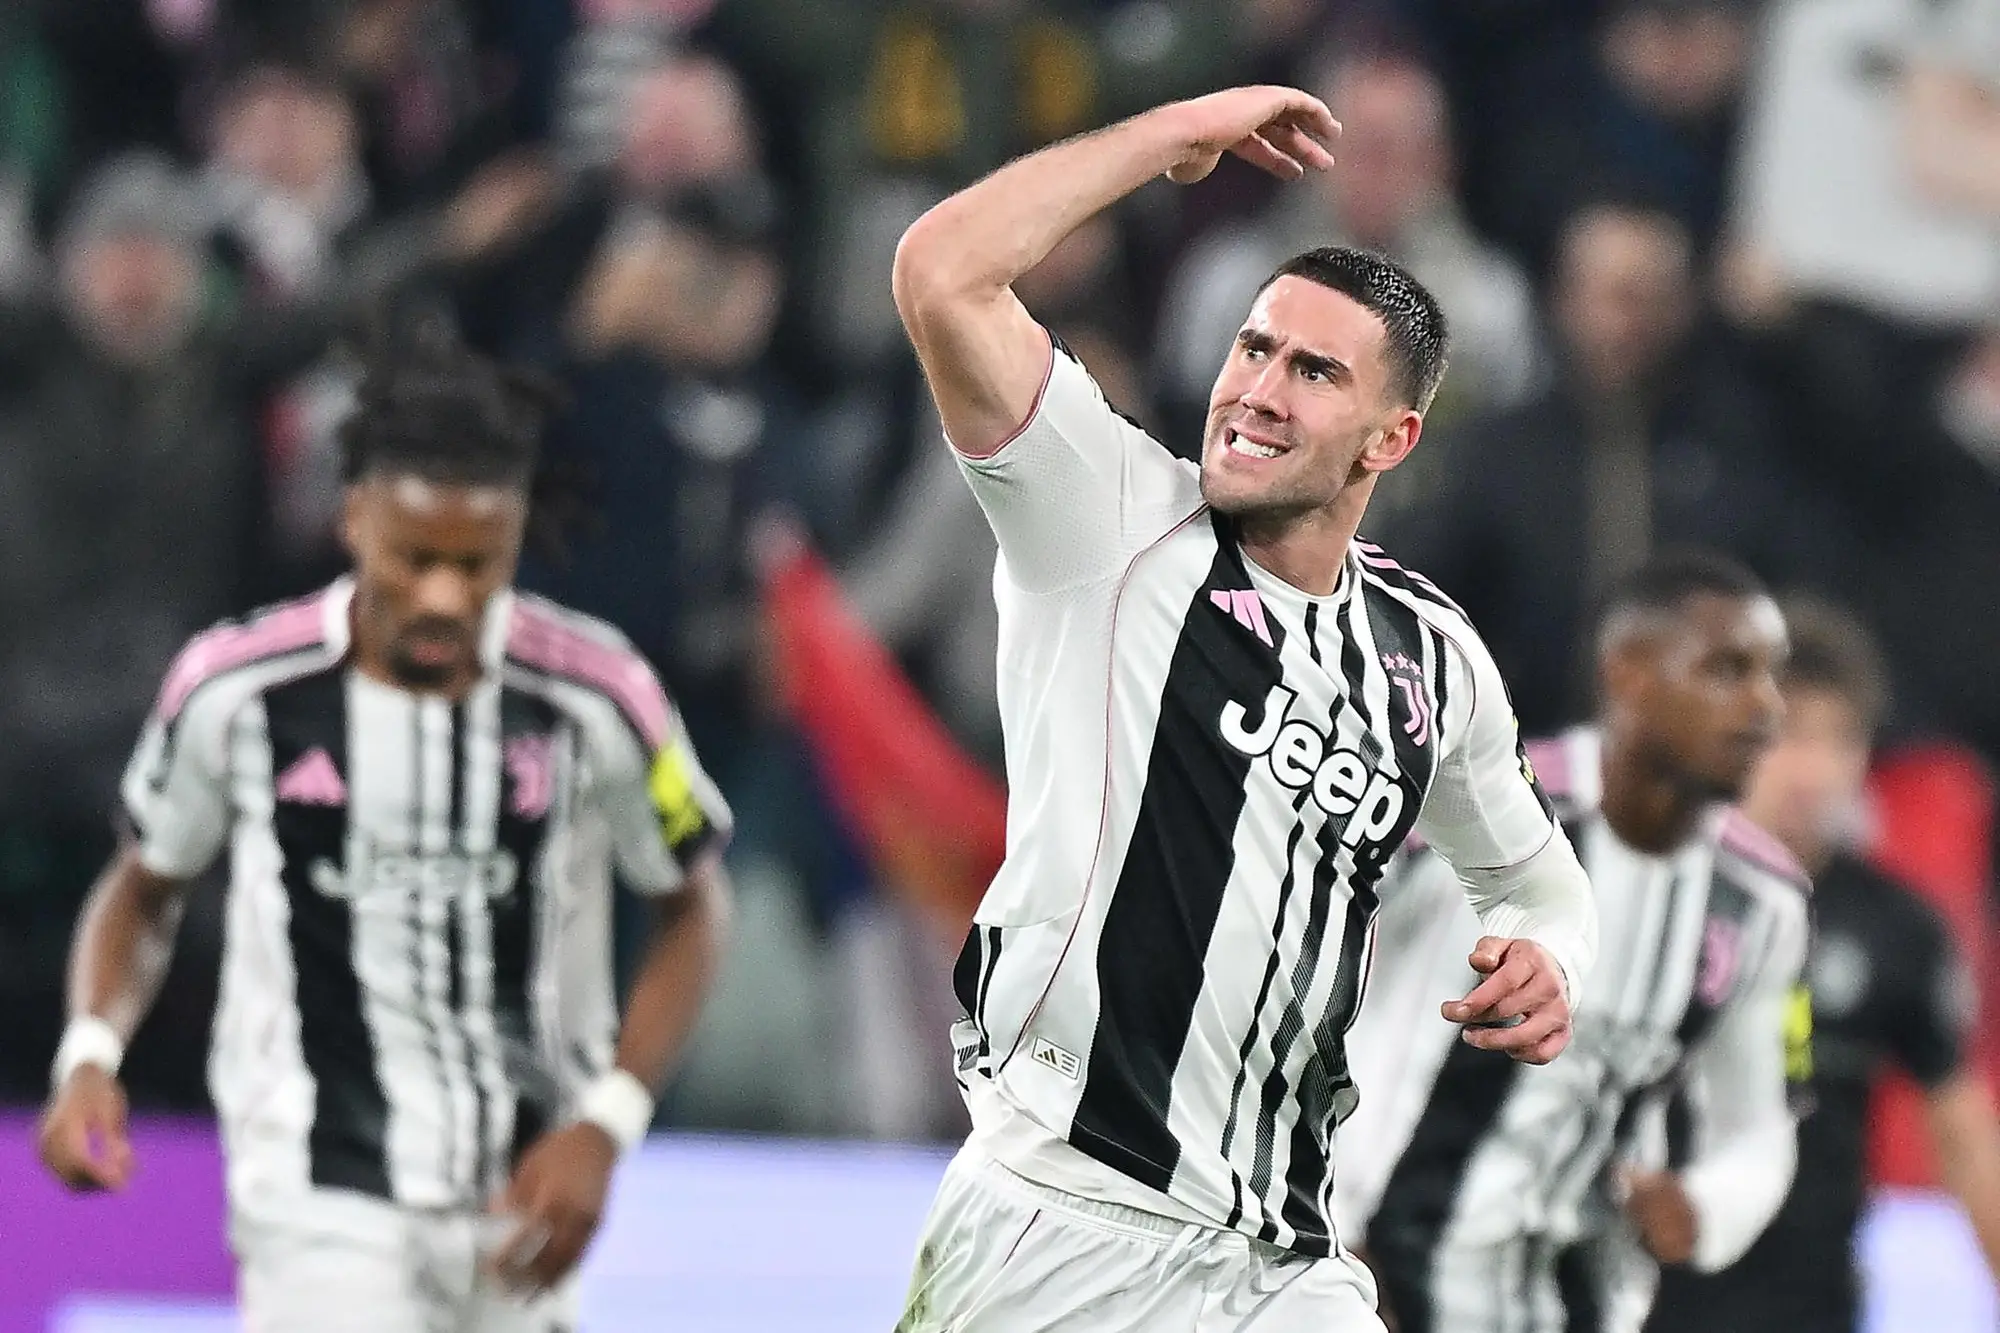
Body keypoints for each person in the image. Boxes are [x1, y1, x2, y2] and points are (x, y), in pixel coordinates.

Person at [889, 85, 1598, 1332]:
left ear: (1391, 437)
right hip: (1059, 1219)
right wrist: (1167, 142)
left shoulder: (1425, 660)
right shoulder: (1102, 516)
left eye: (1313, 371)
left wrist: (1551, 958)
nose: (1259, 389)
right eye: (1251, 347)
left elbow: (1535, 882)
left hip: (1284, 1259)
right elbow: (942, 270)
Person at [34, 320, 733, 1331]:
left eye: (477, 563)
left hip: (524, 1194)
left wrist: (609, 1123)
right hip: (314, 1190)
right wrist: (92, 1051)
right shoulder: (235, 687)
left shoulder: (600, 695)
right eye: (415, 559)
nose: (444, 595)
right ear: (354, 520)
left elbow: (694, 903)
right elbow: (145, 884)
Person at [1335, 551, 1811, 1333]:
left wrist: (1704, 1204)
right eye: (1729, 669)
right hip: (1373, 1282)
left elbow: (1760, 1122)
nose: (1766, 706)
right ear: (1626, 673)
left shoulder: (1767, 904)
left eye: (1772, 673)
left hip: (1584, 1302)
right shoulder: (1467, 810)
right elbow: (1295, 990)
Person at [1645, 598, 2000, 1333]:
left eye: (1840, 740)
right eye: (1785, 735)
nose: (1812, 770)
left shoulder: (1897, 928)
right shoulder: (1632, 898)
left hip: (1813, 1312)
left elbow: (1964, 1135)